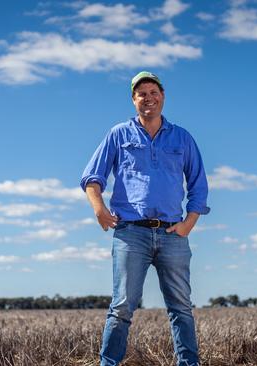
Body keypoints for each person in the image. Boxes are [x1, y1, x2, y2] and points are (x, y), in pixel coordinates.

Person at [80, 71, 210, 366]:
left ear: (162, 97)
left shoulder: (182, 137)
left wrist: (189, 223)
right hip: (130, 233)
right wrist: (99, 208)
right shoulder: (119, 134)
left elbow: (199, 185)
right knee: (122, 307)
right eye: (142, 94)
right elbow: (92, 176)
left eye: (153, 92)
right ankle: (108, 363)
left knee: (181, 307)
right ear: (133, 99)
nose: (148, 98)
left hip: (172, 234)